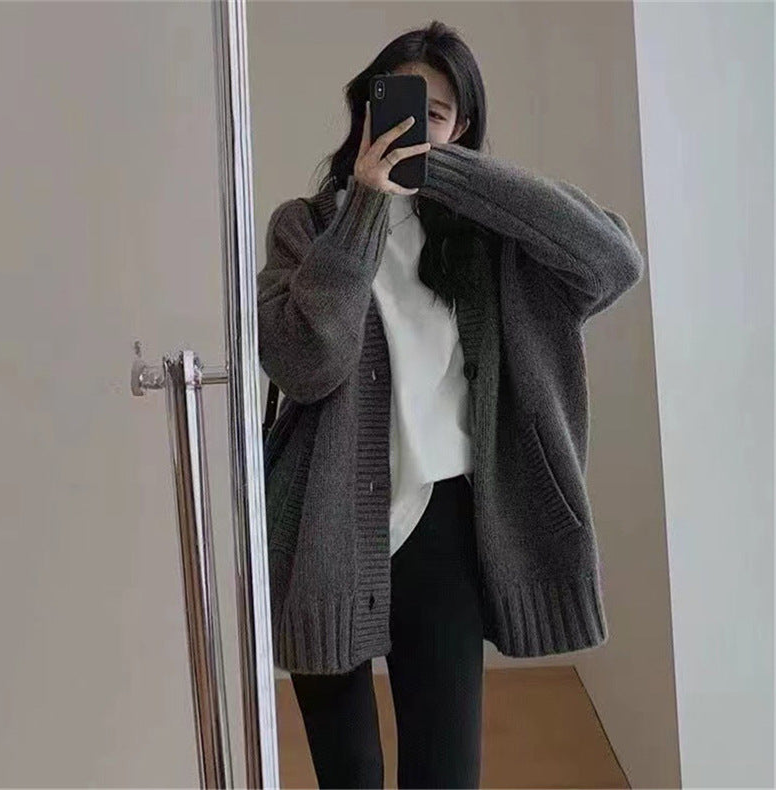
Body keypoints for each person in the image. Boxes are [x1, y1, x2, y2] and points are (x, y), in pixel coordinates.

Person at [258, 18, 644, 790]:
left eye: (434, 113)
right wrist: (366, 207)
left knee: (444, 773)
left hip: (446, 528)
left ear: (461, 125)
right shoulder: (305, 227)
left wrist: (452, 175)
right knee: (348, 773)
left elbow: (612, 262)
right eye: (397, 105)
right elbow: (307, 364)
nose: (410, 125)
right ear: (366, 107)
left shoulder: (493, 238)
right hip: (326, 524)